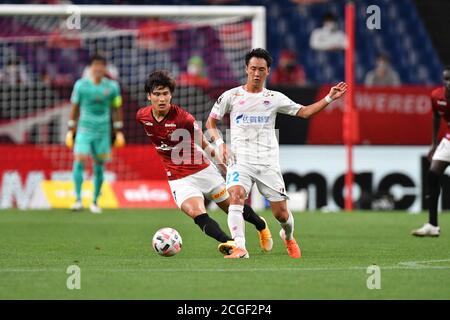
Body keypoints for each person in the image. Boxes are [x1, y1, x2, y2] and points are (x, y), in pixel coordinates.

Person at [206, 48, 347, 258]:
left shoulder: (274, 98)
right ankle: (240, 247)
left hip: (267, 163)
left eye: (261, 69)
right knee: (236, 196)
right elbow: (211, 122)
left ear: (268, 71)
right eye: (253, 68)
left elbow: (305, 112)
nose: (256, 73)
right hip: (239, 160)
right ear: (246, 69)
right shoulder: (231, 96)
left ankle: (288, 236)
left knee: (281, 214)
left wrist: (328, 98)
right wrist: (220, 144)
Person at [136, 70, 272, 256]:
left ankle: (261, 225)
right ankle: (232, 245)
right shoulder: (142, 116)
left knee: (232, 207)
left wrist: (224, 168)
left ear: (171, 95)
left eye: (165, 94)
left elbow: (204, 144)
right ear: (149, 96)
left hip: (203, 170)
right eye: (157, 94)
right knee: (196, 213)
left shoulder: (183, 118)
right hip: (178, 178)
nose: (162, 99)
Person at [66, 53, 125, 214]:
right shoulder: (81, 85)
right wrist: (71, 127)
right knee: (80, 159)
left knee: (99, 166)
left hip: (103, 131)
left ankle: (94, 201)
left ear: (105, 68)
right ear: (90, 68)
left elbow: (117, 106)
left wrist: (118, 129)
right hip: (84, 129)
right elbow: (75, 106)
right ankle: (78, 199)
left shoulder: (112, 87)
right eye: (95, 65)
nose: (98, 68)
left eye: (101, 65)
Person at [412, 66, 450, 237]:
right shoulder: (436, 96)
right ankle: (432, 225)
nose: (448, 82)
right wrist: (434, 144)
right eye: (446, 79)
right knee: (433, 173)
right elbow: (436, 117)